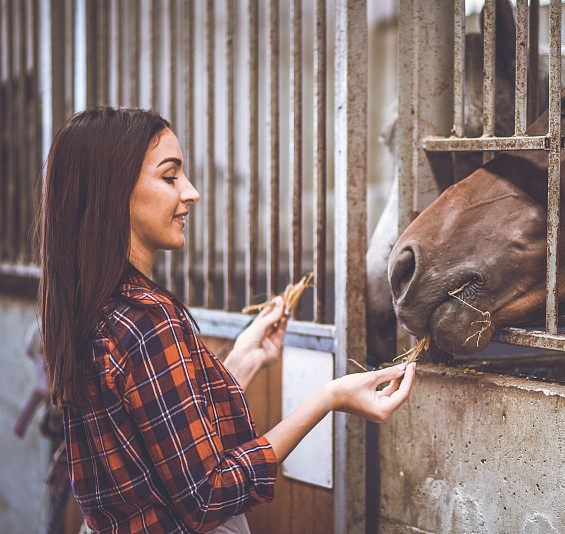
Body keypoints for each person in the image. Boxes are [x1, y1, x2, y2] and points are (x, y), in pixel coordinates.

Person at [38, 107, 416, 534]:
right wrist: (329, 398)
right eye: (169, 177)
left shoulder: (93, 308)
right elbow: (209, 495)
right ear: (114, 192)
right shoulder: (149, 318)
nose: (192, 192)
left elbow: (164, 432)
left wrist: (245, 357)